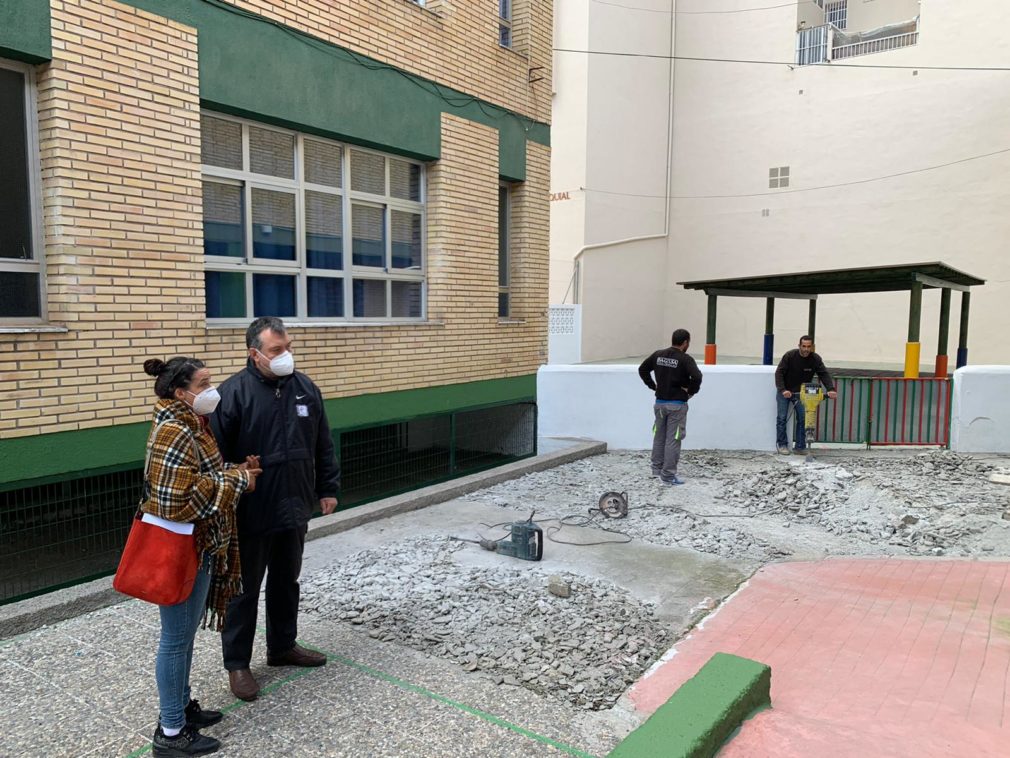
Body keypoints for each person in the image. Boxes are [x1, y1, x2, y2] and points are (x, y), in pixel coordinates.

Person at [211, 317, 341, 702]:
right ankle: (237, 665)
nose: (285, 356)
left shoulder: (305, 389)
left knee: (287, 581)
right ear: (255, 354)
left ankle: (283, 646)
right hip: (251, 509)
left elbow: (323, 442)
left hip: (295, 503)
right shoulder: (232, 394)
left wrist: (327, 488)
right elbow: (215, 455)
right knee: (243, 590)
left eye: (287, 347)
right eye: (276, 350)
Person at [141, 356, 260, 757]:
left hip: (202, 544)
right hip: (182, 549)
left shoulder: (192, 423)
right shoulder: (174, 430)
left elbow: (203, 474)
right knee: (175, 640)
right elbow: (177, 500)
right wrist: (236, 481)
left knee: (185, 636)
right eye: (204, 382)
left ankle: (182, 709)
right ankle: (171, 732)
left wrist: (236, 471)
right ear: (180, 392)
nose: (213, 390)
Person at [638, 328, 703, 485]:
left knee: (659, 437)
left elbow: (643, 369)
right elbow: (697, 376)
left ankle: (656, 469)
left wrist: (653, 386)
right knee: (673, 439)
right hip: (677, 405)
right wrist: (691, 391)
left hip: (659, 404)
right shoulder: (685, 359)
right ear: (685, 342)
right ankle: (667, 475)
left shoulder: (658, 355)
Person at [775, 335, 837, 454]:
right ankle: (782, 445)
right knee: (782, 418)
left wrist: (831, 389)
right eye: (804, 346)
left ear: (812, 347)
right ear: (799, 346)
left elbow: (823, 374)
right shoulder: (789, 356)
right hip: (785, 391)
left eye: (809, 347)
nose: (806, 349)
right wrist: (783, 389)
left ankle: (800, 446)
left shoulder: (815, 359)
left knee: (803, 418)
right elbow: (779, 373)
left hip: (802, 393)